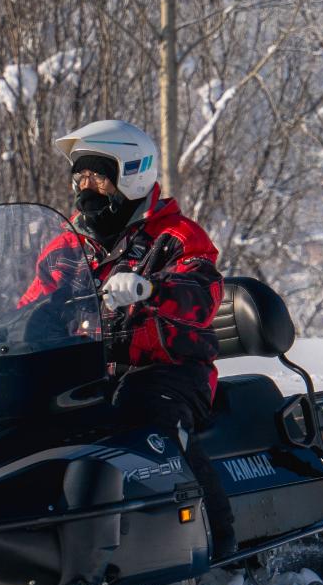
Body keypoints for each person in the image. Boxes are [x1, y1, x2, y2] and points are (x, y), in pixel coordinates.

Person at [20, 119, 234, 556]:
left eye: (98, 176)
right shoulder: (65, 249)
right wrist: (2, 329)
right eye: (80, 177)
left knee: (149, 419)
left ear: (130, 175)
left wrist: (152, 288)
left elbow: (204, 294)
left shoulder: (176, 238)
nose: (86, 187)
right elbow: (33, 307)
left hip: (168, 371)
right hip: (85, 373)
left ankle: (219, 546)